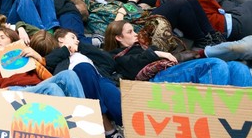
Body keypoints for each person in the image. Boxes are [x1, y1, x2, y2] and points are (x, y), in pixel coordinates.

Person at [104, 20, 251, 87]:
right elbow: (132, 67)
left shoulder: (141, 47)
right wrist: (157, 53)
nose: (135, 34)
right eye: (130, 32)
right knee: (215, 64)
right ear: (118, 37)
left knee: (236, 67)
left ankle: (241, 118)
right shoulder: (116, 55)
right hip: (153, 79)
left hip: (170, 69)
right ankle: (213, 118)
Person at [0, 27, 85, 99]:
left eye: (2, 37)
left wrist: (38, 57)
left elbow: (47, 70)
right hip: (13, 90)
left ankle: (84, 118)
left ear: (13, 41)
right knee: (52, 88)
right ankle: (70, 131)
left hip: (37, 86)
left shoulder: (25, 51)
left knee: (69, 74)